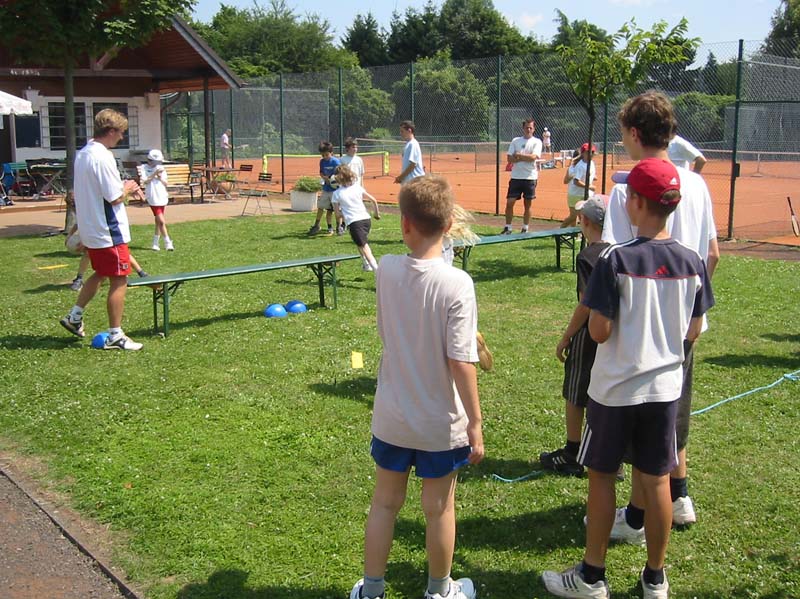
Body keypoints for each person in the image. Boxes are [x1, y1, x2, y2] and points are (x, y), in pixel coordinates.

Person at [542, 158, 715, 599]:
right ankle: (655, 578)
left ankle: (592, 576)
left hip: (615, 391)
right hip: (664, 391)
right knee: (657, 480)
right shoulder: (692, 261)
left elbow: (599, 331)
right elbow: (693, 330)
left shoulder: (614, 259)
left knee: (601, 477)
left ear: (636, 203)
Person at [350, 175, 484, 599]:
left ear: (405, 223)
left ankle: (371, 590)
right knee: (439, 509)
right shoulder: (457, 283)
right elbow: (461, 361)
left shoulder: (387, 269)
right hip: (439, 423)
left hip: (393, 417)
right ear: (448, 225)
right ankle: (439, 591)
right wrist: (476, 423)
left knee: (384, 503)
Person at [602, 91, 721, 538]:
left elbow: (611, 259)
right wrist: (690, 302)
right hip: (683, 323)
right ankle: (678, 495)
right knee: (672, 410)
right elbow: (712, 254)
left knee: (640, 422)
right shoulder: (697, 184)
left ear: (635, 133)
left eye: (623, 134)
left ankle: (638, 516)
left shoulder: (627, 190)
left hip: (636, 328)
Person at [59, 108, 144, 350]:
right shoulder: (103, 156)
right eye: (121, 132)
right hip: (108, 231)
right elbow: (114, 197)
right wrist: (128, 187)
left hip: (92, 229)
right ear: (110, 131)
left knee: (100, 273)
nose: (122, 137)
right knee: (119, 279)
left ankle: (74, 317)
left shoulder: (84, 153)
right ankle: (116, 335)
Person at [540, 196, 609, 477]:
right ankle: (609, 455)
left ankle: (573, 451)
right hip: (612, 331)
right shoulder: (618, 250)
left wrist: (567, 335)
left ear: (586, 222)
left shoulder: (588, 256)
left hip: (588, 332)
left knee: (575, 390)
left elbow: (585, 303)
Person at [331, 164, 380, 272]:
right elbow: (374, 200)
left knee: (364, 246)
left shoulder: (336, 194)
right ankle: (365, 264)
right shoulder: (358, 187)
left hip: (354, 222)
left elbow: (337, 215)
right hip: (366, 220)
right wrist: (376, 214)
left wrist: (345, 213)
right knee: (360, 242)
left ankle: (376, 269)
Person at [501, 118, 542, 234]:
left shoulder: (537, 142)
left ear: (534, 129)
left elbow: (533, 157)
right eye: (526, 127)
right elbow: (509, 158)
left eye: (530, 128)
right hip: (516, 177)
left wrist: (519, 156)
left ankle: (525, 228)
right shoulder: (515, 141)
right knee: (510, 202)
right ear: (523, 128)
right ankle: (508, 227)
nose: (528, 129)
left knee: (527, 205)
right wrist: (523, 157)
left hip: (530, 177)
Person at [140, 149, 174, 251]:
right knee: (161, 221)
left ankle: (155, 243)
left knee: (158, 221)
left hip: (161, 195)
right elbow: (145, 181)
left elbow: (166, 183)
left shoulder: (161, 168)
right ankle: (168, 242)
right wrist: (154, 174)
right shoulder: (144, 168)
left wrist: (160, 177)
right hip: (152, 196)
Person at [307, 141, 341, 236]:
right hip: (326, 189)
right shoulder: (322, 162)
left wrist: (333, 179)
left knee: (337, 209)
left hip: (335, 190)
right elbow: (321, 172)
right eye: (322, 155)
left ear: (331, 153)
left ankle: (339, 227)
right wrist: (324, 177)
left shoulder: (336, 162)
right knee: (321, 207)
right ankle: (316, 225)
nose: (325, 157)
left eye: (326, 155)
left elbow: (340, 173)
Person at [561, 143, 597, 228]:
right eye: (588, 152)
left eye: (592, 152)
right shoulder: (580, 166)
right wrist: (590, 187)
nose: (591, 154)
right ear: (583, 153)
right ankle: (560, 230)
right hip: (576, 194)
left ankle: (581, 233)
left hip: (587, 194)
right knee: (573, 217)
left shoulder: (591, 163)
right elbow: (575, 182)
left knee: (585, 216)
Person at [394, 120, 425, 185]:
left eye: (402, 131)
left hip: (414, 183)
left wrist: (400, 177)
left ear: (409, 131)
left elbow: (412, 164)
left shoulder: (413, 144)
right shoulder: (408, 144)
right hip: (410, 182)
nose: (400, 133)